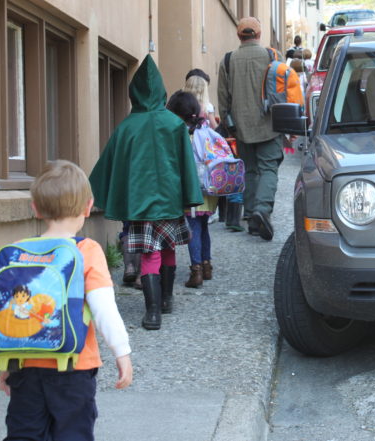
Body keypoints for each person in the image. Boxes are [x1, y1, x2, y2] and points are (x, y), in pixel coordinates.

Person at [0, 159, 133, 441]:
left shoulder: (18, 252)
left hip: (25, 364)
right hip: (74, 366)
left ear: (35, 208)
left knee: (24, 433)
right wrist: (121, 352)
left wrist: (6, 364)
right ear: (88, 206)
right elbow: (103, 308)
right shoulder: (87, 251)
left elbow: (6, 311)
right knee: (73, 433)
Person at [90, 55, 203, 329]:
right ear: (162, 90)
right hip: (170, 202)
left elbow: (109, 165)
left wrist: (90, 193)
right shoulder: (175, 125)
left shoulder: (126, 127)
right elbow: (187, 165)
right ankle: (166, 300)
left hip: (140, 204)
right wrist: (191, 197)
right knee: (168, 249)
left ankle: (152, 313)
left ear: (134, 93)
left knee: (149, 253)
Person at [217, 17, 284, 241]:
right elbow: (283, 91)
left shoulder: (228, 60)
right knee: (268, 168)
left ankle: (253, 219)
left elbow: (223, 99)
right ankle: (262, 210)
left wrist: (230, 126)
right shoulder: (272, 56)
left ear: (239, 36)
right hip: (270, 124)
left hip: (242, 127)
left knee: (250, 171)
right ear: (258, 34)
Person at [166, 90, 218, 288]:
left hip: (192, 189)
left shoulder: (183, 134)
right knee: (204, 227)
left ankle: (195, 270)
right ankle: (207, 266)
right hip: (210, 188)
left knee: (193, 229)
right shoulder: (206, 131)